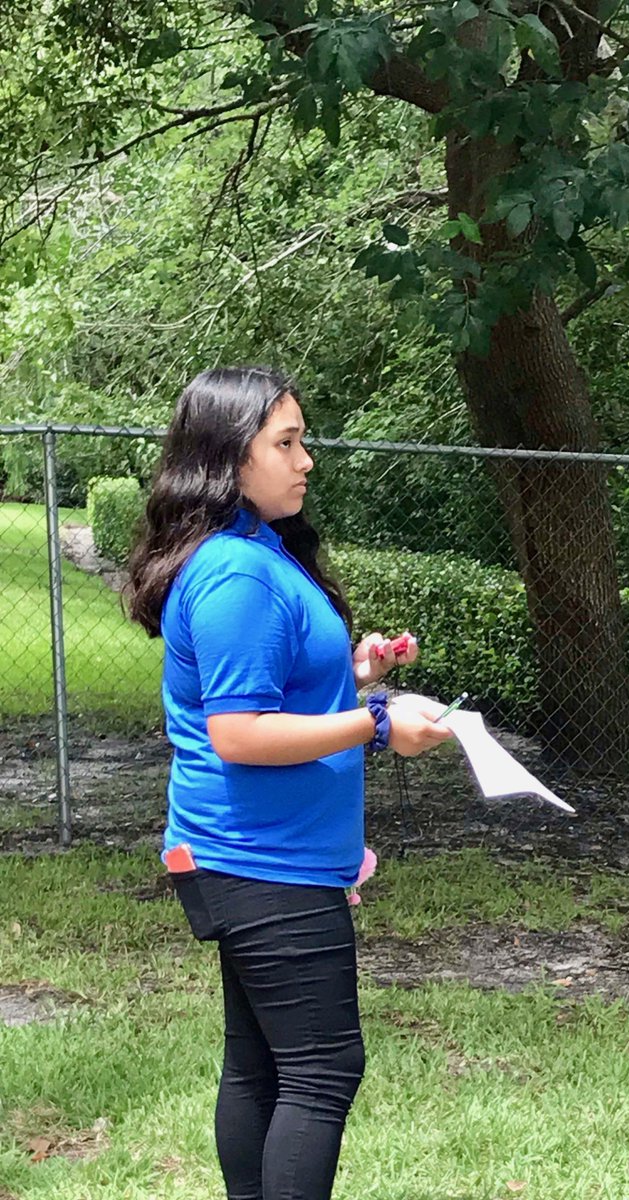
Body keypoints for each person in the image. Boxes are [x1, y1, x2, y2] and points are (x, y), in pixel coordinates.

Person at [125, 366, 453, 1200]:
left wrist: (353, 675)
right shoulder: (236, 571)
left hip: (258, 857)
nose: (306, 460)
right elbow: (239, 734)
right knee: (321, 1069)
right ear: (230, 458)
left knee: (265, 1064)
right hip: (264, 862)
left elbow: (266, 691)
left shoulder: (257, 550)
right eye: (287, 442)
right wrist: (378, 723)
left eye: (302, 440)